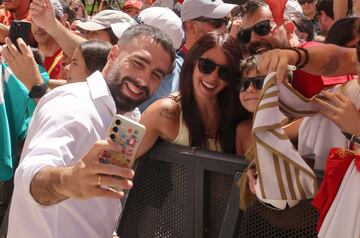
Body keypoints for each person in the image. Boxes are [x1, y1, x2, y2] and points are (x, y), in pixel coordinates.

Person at [7, 18, 176, 238]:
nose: (143, 80)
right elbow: (29, 175)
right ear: (113, 55)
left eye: (156, 75)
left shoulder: (129, 115)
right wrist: (67, 180)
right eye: (138, 63)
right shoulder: (73, 104)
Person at [137, 32, 246, 158]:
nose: (213, 77)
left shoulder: (240, 116)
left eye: (225, 72)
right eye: (206, 65)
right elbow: (121, 156)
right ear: (192, 63)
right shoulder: (165, 111)